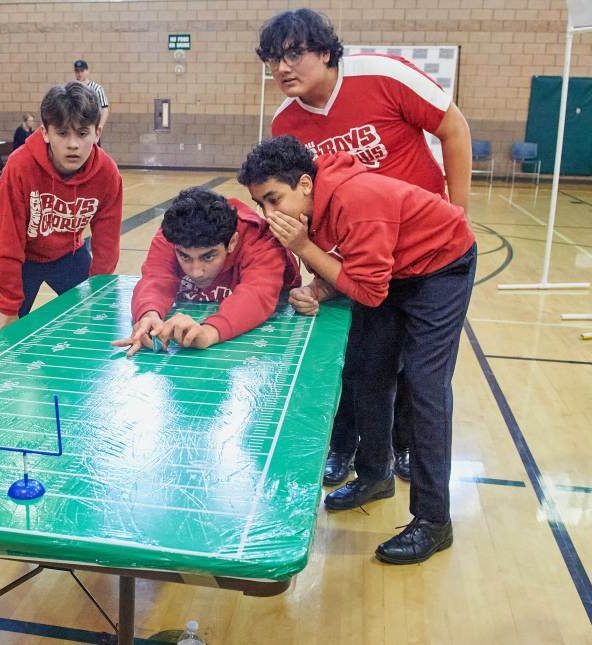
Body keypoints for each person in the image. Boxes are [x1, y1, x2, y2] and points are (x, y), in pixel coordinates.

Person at [258, 8, 473, 486]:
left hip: (423, 250)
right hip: (360, 254)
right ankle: (347, 448)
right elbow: (299, 207)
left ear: (326, 51)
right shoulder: (285, 122)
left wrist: (459, 212)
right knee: (358, 360)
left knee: (418, 370)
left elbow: (453, 128)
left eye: (294, 53)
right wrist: (317, 278)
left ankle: (406, 448)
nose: (282, 68)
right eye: (274, 59)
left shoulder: (383, 75)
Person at [239, 135, 476, 564]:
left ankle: (434, 521)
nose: (269, 214)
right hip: (393, 273)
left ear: (306, 184)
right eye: (260, 204)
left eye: (274, 199)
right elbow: (350, 268)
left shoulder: (356, 201)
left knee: (425, 386)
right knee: (367, 372)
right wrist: (317, 288)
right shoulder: (313, 207)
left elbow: (367, 290)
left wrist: (304, 248)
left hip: (442, 266)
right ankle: (375, 474)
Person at [0, 81, 122, 334]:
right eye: (62, 133)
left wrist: (98, 289)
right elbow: (6, 240)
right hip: (23, 259)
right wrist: (6, 305)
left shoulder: (107, 173)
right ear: (45, 133)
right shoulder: (20, 166)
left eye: (82, 133)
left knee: (100, 325)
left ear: (97, 132)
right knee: (4, 334)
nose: (73, 144)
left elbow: (107, 242)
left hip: (68, 255)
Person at [112, 187, 300, 356]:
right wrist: (148, 315)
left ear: (232, 242)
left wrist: (209, 332)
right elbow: (156, 279)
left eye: (208, 257)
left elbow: (256, 294)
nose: (196, 272)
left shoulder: (261, 240)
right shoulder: (174, 235)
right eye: (185, 257)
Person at [73, 60, 109, 132]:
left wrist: (99, 127)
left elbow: (105, 109)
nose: (79, 74)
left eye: (82, 71)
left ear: (87, 71)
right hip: (76, 129)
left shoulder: (97, 89)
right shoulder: (72, 88)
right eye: (77, 71)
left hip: (92, 129)